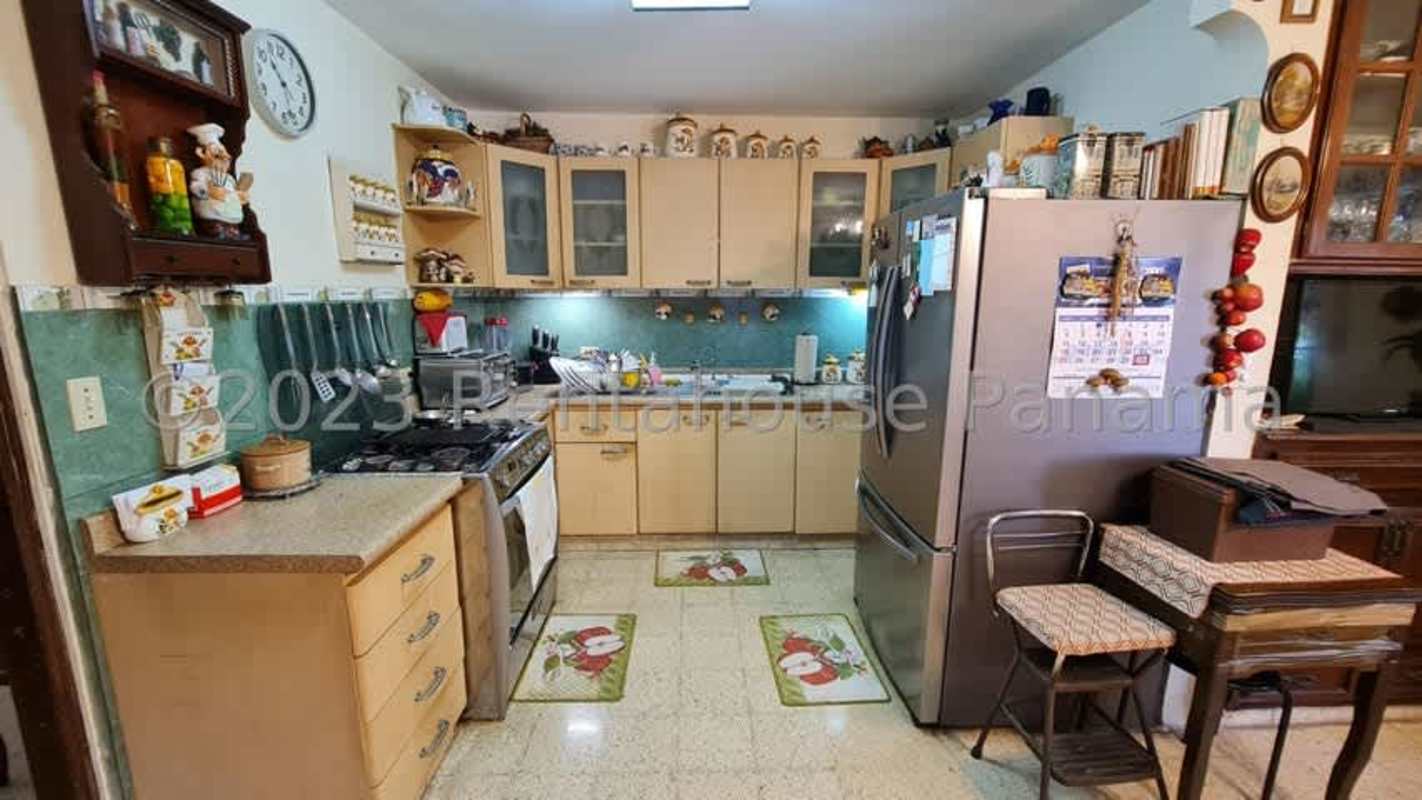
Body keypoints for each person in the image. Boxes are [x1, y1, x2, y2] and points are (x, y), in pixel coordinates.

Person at [186, 122, 250, 239]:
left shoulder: (229, 178)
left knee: (232, 223)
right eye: (218, 155)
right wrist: (208, 191)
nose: (225, 158)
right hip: (213, 212)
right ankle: (218, 230)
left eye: (226, 156)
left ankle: (233, 232)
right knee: (215, 225)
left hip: (229, 211)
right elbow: (195, 187)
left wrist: (240, 196)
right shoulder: (201, 173)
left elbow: (233, 192)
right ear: (201, 154)